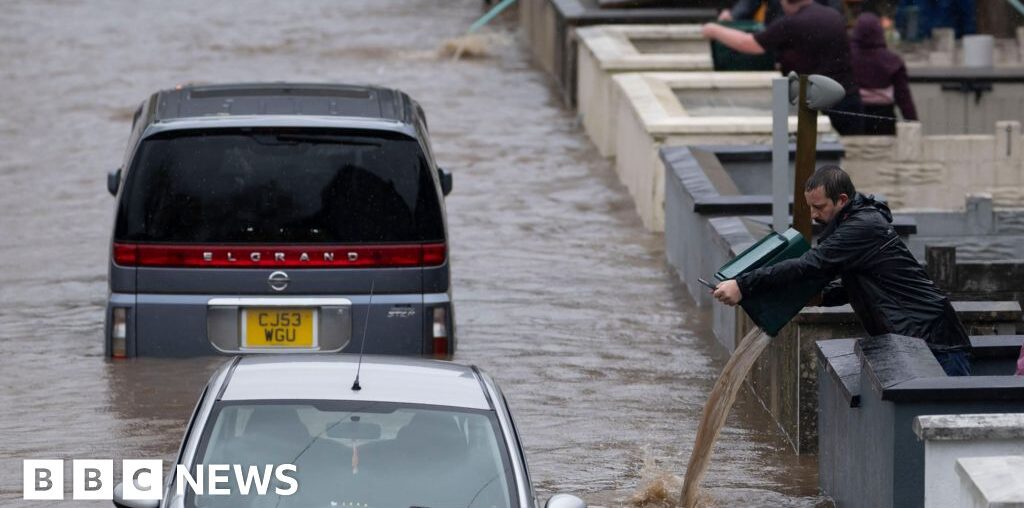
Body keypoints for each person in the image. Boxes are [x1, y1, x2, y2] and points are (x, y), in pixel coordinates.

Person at [712, 166, 973, 376]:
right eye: (810, 207)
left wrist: (743, 285)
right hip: (915, 340)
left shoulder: (861, 227)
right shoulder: (853, 222)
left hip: (935, 344)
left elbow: (809, 265)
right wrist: (822, 297)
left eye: (819, 207)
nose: (813, 215)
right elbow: (865, 284)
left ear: (842, 200)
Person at [702, 0, 864, 135]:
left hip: (821, 104)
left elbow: (750, 44)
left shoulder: (791, 23)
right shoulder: (832, 15)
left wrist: (714, 29)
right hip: (848, 98)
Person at [717, 0, 842, 25]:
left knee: (808, 90)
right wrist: (733, 15)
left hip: (813, 37)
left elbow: (834, 12)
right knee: (781, 89)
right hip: (778, 37)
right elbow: (749, 4)